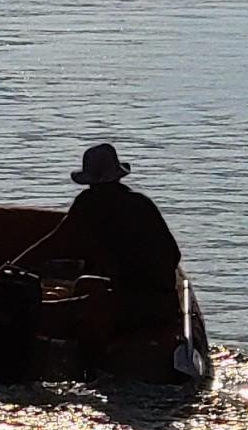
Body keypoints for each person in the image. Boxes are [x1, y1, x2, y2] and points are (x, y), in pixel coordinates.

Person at [15, 142, 185, 339]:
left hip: (135, 304)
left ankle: (86, 363)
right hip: (163, 301)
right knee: (85, 284)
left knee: (40, 312)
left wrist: (14, 267)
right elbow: (174, 254)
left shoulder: (89, 203)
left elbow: (53, 244)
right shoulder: (141, 203)